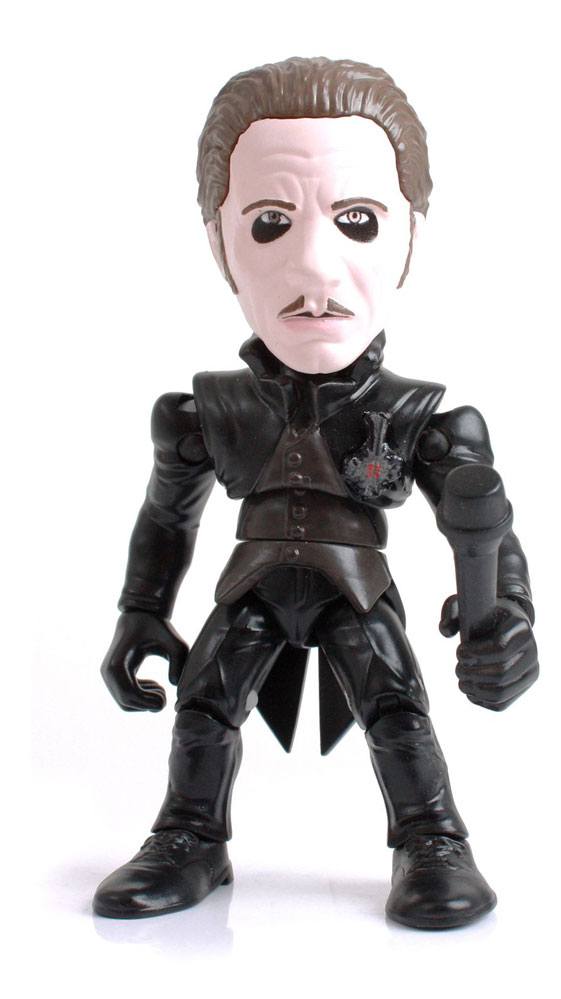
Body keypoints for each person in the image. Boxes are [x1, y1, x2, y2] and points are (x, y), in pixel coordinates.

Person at [93, 57, 538, 929]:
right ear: (219, 243)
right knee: (205, 706)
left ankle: (432, 838)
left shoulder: (421, 419)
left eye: (357, 221)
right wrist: (140, 610)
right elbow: (166, 517)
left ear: (410, 237)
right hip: (252, 585)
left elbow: (487, 528)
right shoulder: (203, 413)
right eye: (269, 224)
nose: (314, 268)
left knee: (396, 711)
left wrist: (508, 613)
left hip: (353, 589)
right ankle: (189, 833)